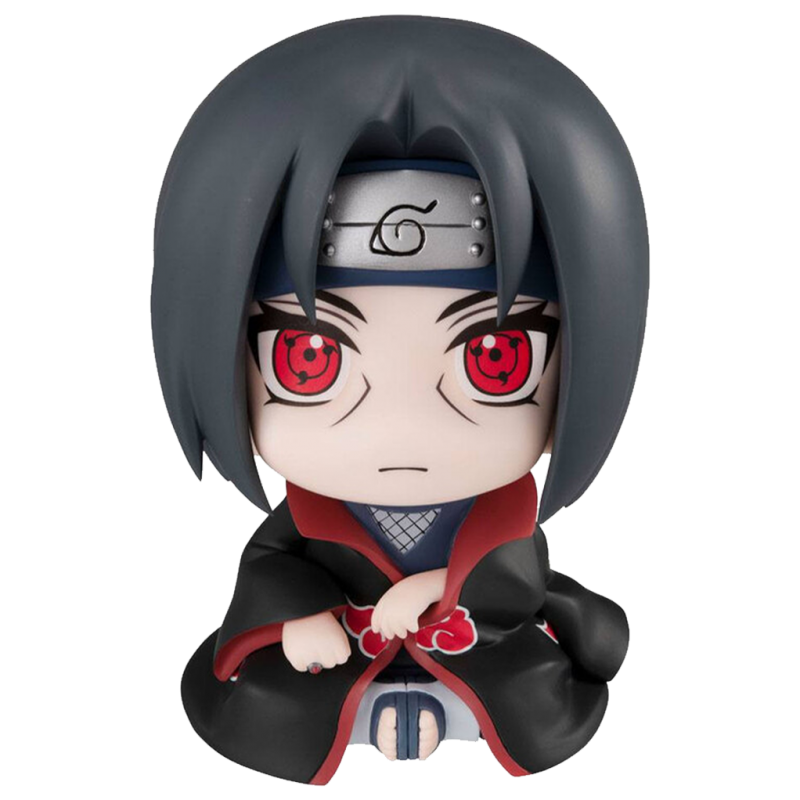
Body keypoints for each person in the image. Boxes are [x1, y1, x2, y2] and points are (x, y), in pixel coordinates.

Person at [152, 17, 649, 786]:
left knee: (520, 701)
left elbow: (514, 577)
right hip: (344, 654)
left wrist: (434, 589)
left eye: (496, 360)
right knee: (276, 708)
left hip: (478, 648)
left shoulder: (501, 515)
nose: (402, 431)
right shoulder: (310, 516)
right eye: (308, 360)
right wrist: (301, 617)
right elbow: (270, 562)